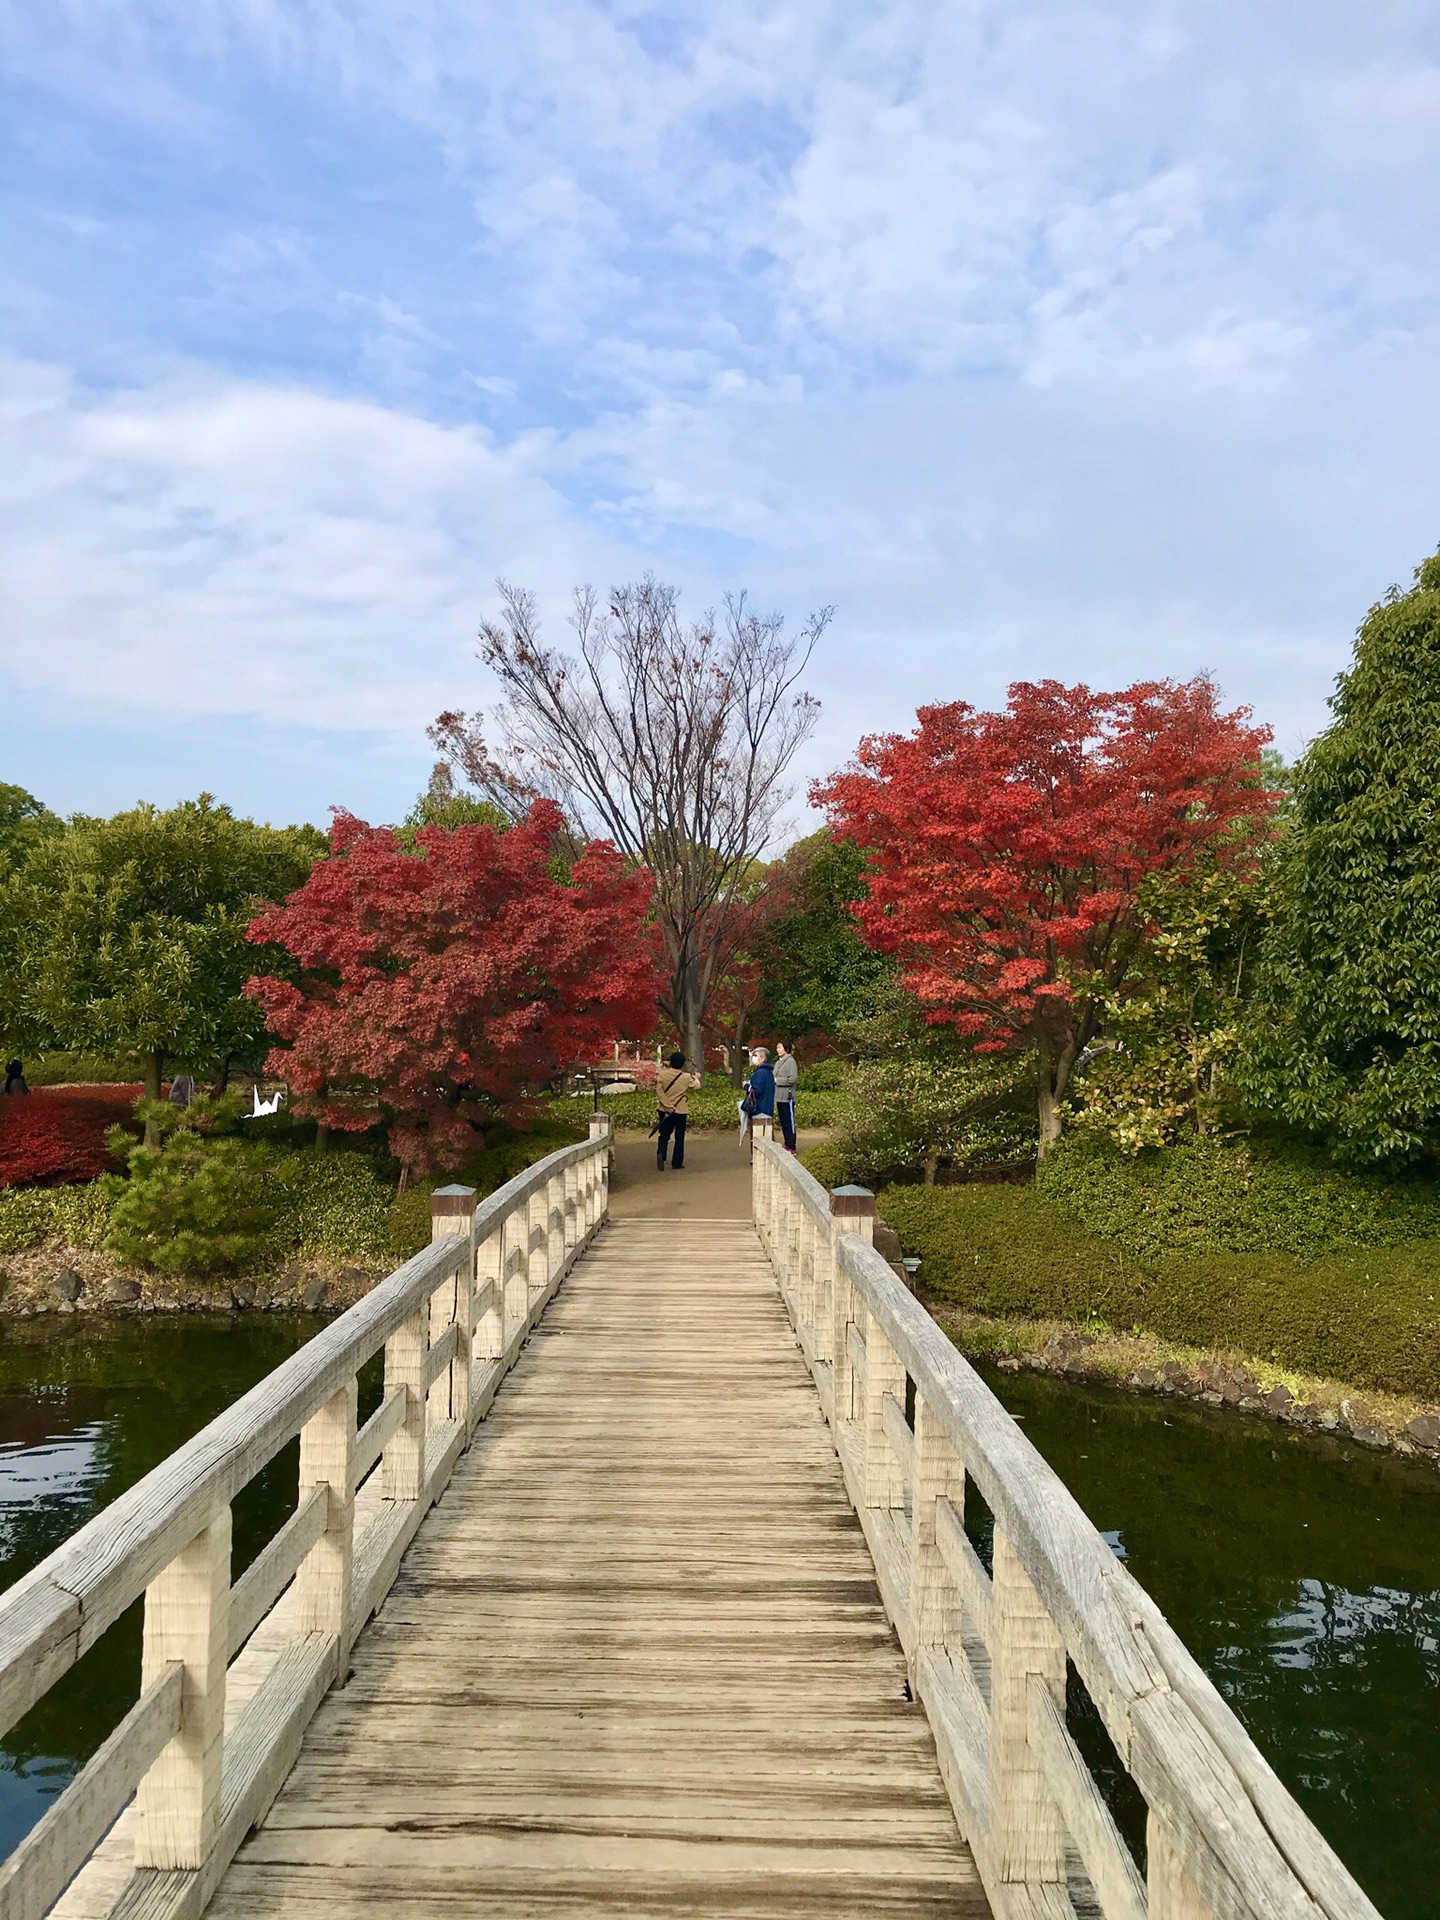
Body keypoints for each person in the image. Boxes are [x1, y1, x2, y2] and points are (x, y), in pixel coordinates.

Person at [655, 1050, 701, 1170]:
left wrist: (667, 1105)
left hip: (664, 1110)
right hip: (680, 1110)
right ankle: (677, 1162)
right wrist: (696, 1078)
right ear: (682, 1064)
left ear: (670, 1062)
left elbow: (659, 1092)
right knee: (679, 1137)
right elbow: (696, 1086)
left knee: (664, 1134)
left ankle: (661, 1154)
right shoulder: (685, 1077)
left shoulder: (662, 1075)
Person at [741, 1047, 775, 1145]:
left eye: (756, 1056)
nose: (753, 1058)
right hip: (768, 1108)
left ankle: (756, 1159)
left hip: (758, 1109)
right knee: (767, 1136)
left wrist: (746, 1086)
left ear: (763, 1058)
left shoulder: (759, 1073)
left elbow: (756, 1090)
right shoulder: (769, 1072)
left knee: (757, 1137)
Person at [773, 1040, 798, 1153]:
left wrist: (777, 1080)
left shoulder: (791, 1062)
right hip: (779, 1097)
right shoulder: (778, 1062)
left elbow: (792, 1079)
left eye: (780, 1047)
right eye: (777, 1048)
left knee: (789, 1122)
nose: (778, 1050)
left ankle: (792, 1146)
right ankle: (787, 1143)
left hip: (788, 1097)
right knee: (783, 1122)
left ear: (786, 1049)